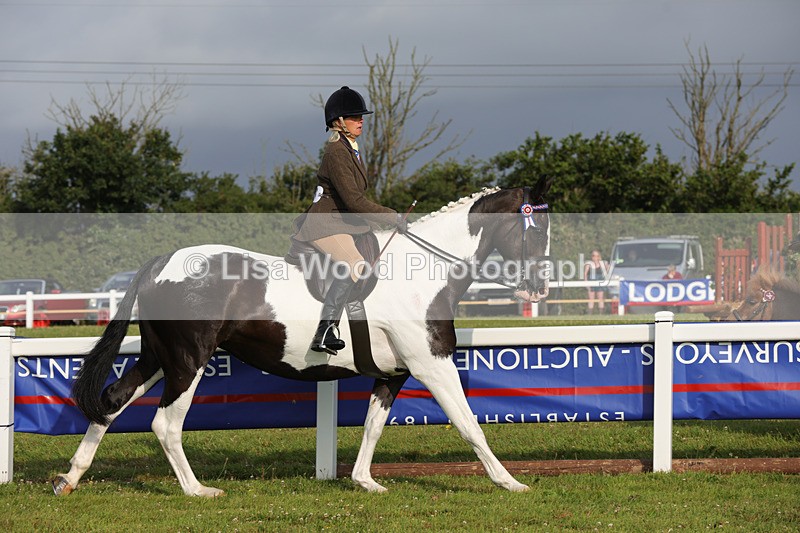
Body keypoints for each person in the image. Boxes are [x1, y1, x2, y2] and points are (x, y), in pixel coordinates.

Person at [292, 86, 406, 355]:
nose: (361, 120)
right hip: (324, 223)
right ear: (339, 121)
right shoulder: (336, 152)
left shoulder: (351, 148)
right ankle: (325, 331)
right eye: (355, 117)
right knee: (355, 264)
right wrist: (391, 215)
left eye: (361, 116)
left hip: (340, 221)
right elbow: (354, 201)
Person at [584, 249, 609, 314]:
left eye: (597, 256)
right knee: (591, 298)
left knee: (600, 298)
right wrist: (586, 284)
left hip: (600, 282)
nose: (595, 258)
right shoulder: (588, 265)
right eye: (593, 256)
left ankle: (601, 314)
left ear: (599, 256)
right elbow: (585, 275)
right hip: (591, 283)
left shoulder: (603, 264)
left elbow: (608, 272)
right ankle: (590, 314)